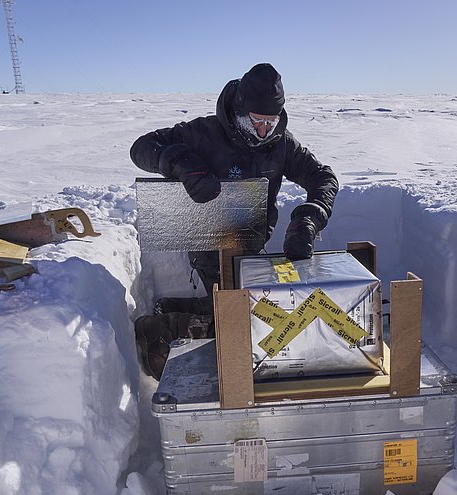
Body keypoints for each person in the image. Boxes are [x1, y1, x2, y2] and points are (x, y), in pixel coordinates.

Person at [130, 63, 339, 378]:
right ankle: (156, 330)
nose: (264, 130)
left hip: (250, 244)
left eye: (271, 122)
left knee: (259, 314)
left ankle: (183, 307)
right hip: (207, 242)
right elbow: (141, 148)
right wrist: (181, 161)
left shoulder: (281, 143)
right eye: (257, 121)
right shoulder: (204, 133)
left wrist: (310, 217)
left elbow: (323, 178)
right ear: (240, 109)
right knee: (241, 325)